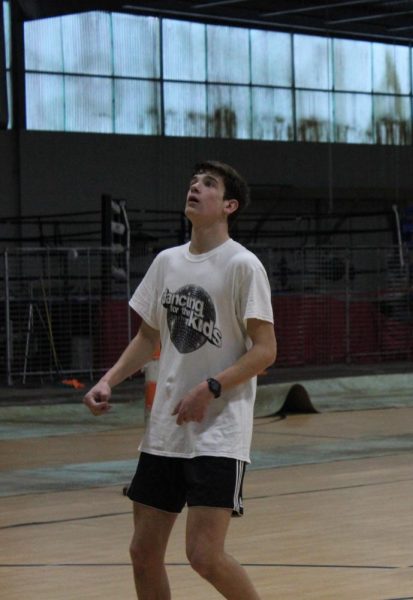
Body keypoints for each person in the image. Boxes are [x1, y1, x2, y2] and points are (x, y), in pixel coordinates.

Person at [83, 160, 276, 599]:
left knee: (204, 555)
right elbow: (148, 337)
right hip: (164, 432)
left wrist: (211, 388)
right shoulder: (166, 262)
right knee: (143, 552)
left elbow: (266, 350)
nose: (195, 187)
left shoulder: (243, 265)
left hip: (218, 431)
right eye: (192, 181)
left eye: (208, 184)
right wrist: (108, 380)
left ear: (229, 205)